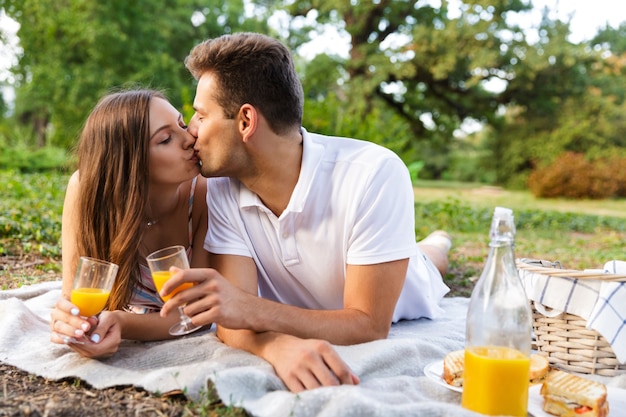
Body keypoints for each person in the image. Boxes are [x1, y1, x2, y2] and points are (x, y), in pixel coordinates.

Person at [159, 32, 451, 392]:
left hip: (405, 282)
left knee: (429, 259)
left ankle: (439, 241)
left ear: (246, 122)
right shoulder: (222, 185)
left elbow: (368, 325)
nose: (191, 131)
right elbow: (232, 315)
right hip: (320, 287)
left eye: (201, 115)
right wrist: (276, 345)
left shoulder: (372, 173)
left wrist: (253, 310)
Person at [49, 89, 210, 358]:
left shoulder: (205, 193)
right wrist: (75, 325)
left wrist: (122, 324)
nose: (189, 139)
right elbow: (74, 300)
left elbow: (197, 313)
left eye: (183, 124)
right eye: (166, 139)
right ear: (129, 162)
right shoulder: (86, 191)